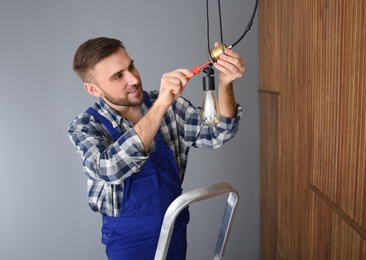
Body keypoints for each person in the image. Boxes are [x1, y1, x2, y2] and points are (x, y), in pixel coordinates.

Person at [67, 37, 245, 260]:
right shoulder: (85, 127)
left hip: (173, 227)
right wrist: (160, 105)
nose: (133, 79)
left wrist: (225, 84)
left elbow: (219, 133)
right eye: (118, 76)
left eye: (130, 66)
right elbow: (109, 169)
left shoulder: (169, 106)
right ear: (93, 89)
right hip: (128, 240)